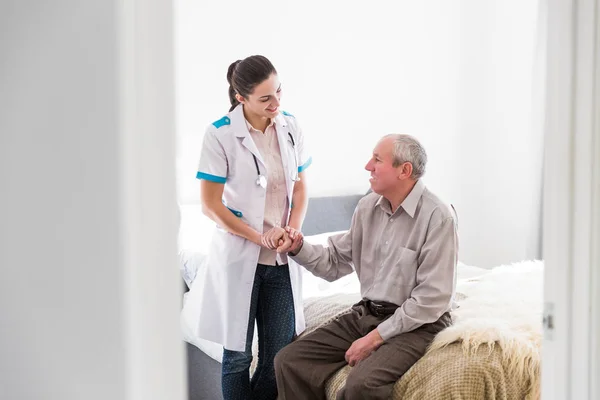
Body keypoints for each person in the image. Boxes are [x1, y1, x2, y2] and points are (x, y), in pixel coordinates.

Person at [274, 134, 458, 400]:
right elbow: (334, 262)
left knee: (362, 385)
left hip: (418, 323)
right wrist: (297, 246)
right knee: (289, 361)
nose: (367, 166)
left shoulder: (438, 216)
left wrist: (374, 338)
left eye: (377, 159)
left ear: (404, 170)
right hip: (368, 313)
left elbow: (431, 300)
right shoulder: (367, 207)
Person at [185, 55, 312, 400]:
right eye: (266, 98)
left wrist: (292, 230)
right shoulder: (220, 134)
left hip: (282, 260)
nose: (277, 103)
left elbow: (299, 187)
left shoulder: (290, 126)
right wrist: (259, 237)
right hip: (240, 256)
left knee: (278, 357)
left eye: (279, 92)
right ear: (241, 98)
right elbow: (210, 206)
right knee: (238, 357)